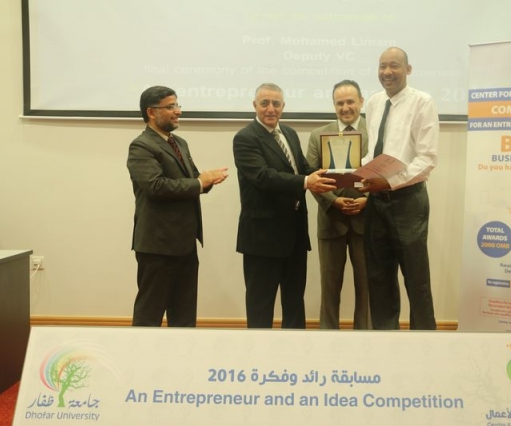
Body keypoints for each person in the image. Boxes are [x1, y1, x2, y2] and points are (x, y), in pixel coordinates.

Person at [233, 82, 336, 329]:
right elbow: (263, 177)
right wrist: (306, 181)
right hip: (262, 238)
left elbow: (301, 167)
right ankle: (258, 352)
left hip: (294, 236)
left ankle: (296, 350)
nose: (270, 109)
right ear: (254, 105)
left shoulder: (289, 133)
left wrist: (335, 173)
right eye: (264, 103)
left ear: (283, 106)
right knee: (260, 304)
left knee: (294, 302)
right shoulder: (245, 138)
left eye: (276, 104)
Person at [127, 85, 228, 327]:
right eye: (171, 106)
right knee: (149, 314)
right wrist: (199, 182)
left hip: (185, 244)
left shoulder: (179, 142)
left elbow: (192, 180)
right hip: (157, 246)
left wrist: (207, 180)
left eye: (177, 105)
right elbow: (156, 186)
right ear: (151, 112)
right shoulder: (141, 146)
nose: (178, 111)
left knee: (184, 316)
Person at [359, 47, 439, 330]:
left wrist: (390, 182)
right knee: (378, 279)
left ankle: (424, 344)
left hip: (408, 202)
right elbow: (373, 151)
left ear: (408, 69)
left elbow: (427, 158)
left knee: (417, 280)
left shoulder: (422, 102)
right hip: (376, 201)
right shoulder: (374, 102)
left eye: (394, 66)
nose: (387, 72)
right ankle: (385, 342)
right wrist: (358, 173)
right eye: (382, 66)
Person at [305, 80, 370, 330]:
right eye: (339, 103)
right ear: (334, 105)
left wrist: (368, 200)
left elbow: (385, 172)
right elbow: (311, 176)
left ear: (361, 102)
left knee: (367, 288)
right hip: (331, 220)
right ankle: (327, 340)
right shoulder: (317, 135)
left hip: (367, 220)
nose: (345, 107)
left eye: (350, 101)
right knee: (329, 289)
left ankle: (365, 341)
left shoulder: (376, 132)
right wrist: (333, 201)